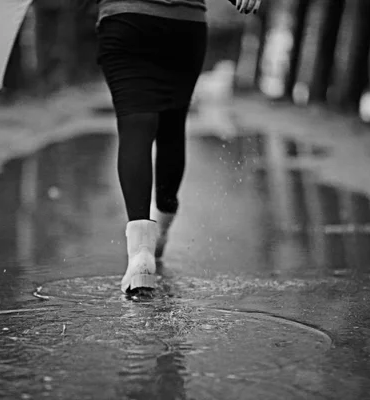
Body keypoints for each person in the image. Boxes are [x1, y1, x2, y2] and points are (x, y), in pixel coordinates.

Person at [95, 0, 261, 294]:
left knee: (136, 127)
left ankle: (140, 254)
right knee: (172, 125)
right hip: (184, 24)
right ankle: (161, 233)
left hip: (126, 18)